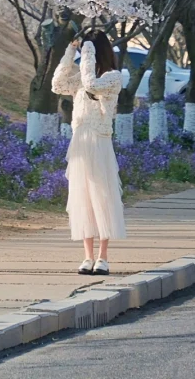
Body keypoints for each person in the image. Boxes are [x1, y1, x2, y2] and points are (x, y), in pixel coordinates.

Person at [51, 30, 127, 274]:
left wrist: (88, 51)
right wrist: (70, 52)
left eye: (89, 50)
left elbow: (91, 84)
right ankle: (87, 256)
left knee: (102, 195)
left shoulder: (113, 77)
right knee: (82, 196)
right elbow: (57, 85)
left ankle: (103, 256)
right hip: (80, 141)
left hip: (100, 141)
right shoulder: (81, 78)